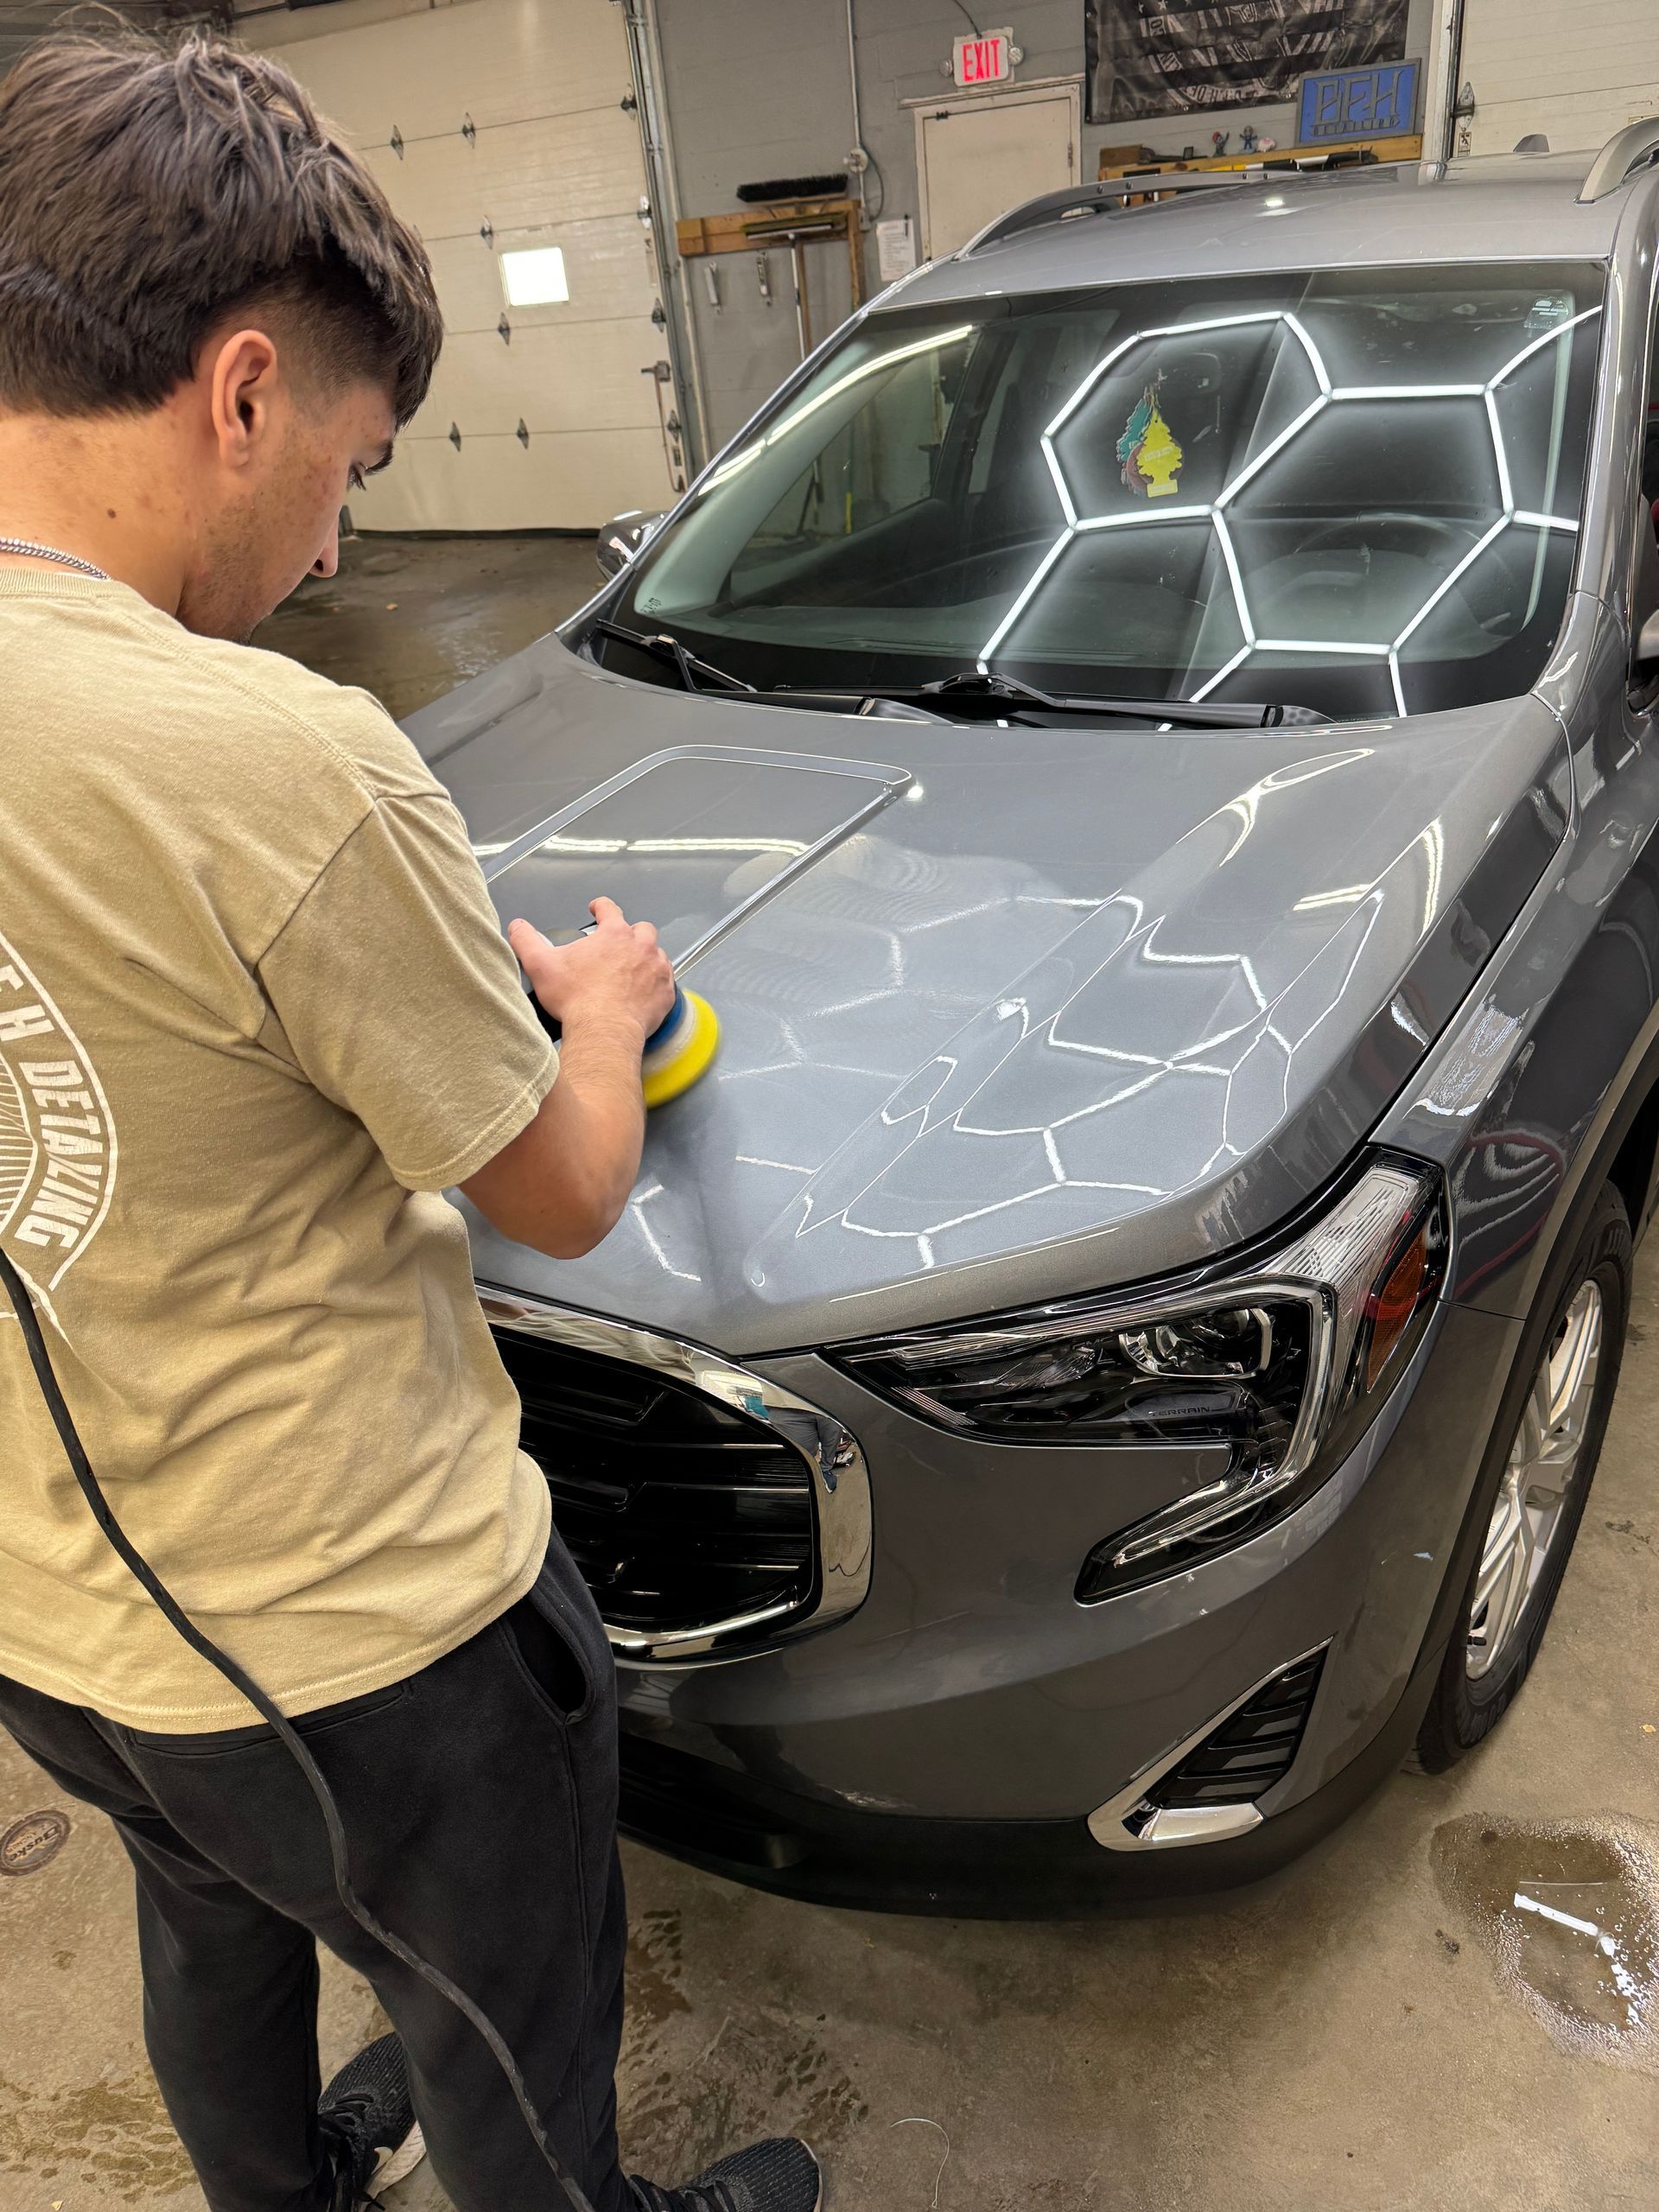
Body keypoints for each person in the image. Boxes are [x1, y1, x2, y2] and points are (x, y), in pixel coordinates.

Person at [0, 29, 820, 2212]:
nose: (342, 529)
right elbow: (553, 1184)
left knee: (206, 1923)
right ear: (244, 390)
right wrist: (603, 1010)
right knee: (504, 2015)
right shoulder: (278, 759)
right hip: (373, 1646)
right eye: (352, 466)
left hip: (57, 1629)